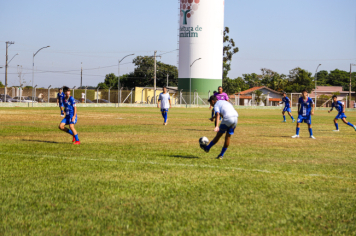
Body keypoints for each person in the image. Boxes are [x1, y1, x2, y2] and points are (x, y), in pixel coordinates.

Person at [202, 95, 238, 159]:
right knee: (228, 137)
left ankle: (207, 148)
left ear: (213, 101)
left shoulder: (216, 105)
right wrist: (213, 117)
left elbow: (218, 114)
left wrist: (216, 126)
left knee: (219, 135)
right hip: (235, 118)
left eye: (210, 103)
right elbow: (223, 112)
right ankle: (221, 155)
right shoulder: (224, 102)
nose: (211, 104)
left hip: (228, 118)